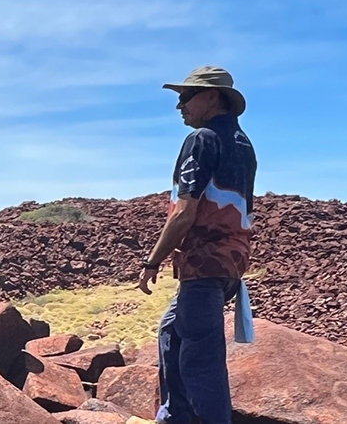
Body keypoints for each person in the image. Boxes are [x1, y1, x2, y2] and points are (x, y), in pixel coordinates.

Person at [132, 66, 257, 424]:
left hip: (205, 264)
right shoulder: (242, 143)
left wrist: (151, 261)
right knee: (172, 335)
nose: (180, 106)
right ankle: (174, 416)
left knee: (201, 362)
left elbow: (184, 212)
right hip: (229, 264)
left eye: (187, 97)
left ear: (213, 97)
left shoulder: (202, 139)